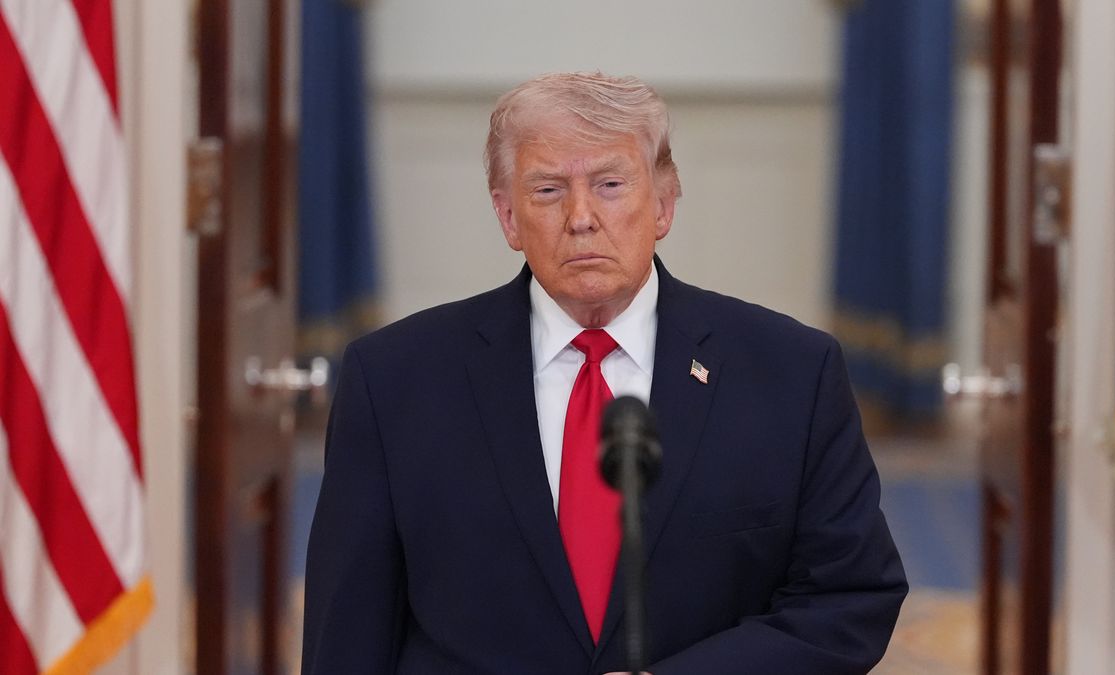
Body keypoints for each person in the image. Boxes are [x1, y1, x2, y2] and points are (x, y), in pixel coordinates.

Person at [301, 72, 906, 675]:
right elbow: (348, 634)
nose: (582, 217)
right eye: (547, 191)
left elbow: (847, 598)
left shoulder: (793, 373)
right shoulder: (393, 382)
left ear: (664, 204)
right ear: (508, 217)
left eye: (611, 184)